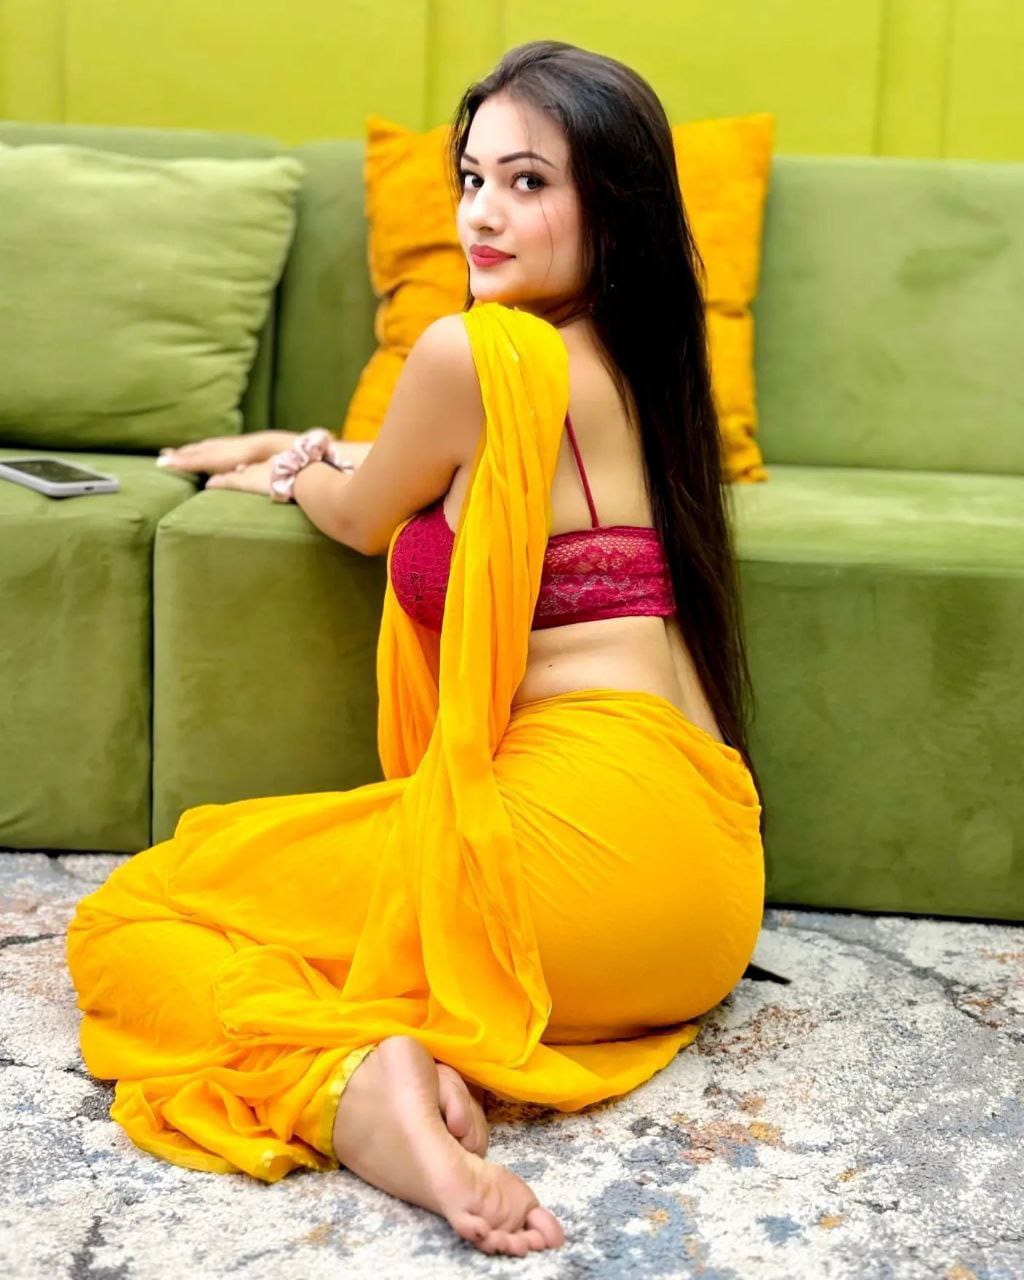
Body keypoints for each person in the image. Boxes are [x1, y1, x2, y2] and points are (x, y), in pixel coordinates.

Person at [67, 40, 766, 1259]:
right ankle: (422, 1047)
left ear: (614, 203)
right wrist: (315, 447)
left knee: (139, 910)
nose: (481, 214)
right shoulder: (649, 361)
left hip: (563, 886)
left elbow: (358, 511)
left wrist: (294, 464)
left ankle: (357, 1095)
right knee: (317, 922)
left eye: (528, 182)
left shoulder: (472, 354)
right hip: (705, 903)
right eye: (471, 178)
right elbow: (458, 479)